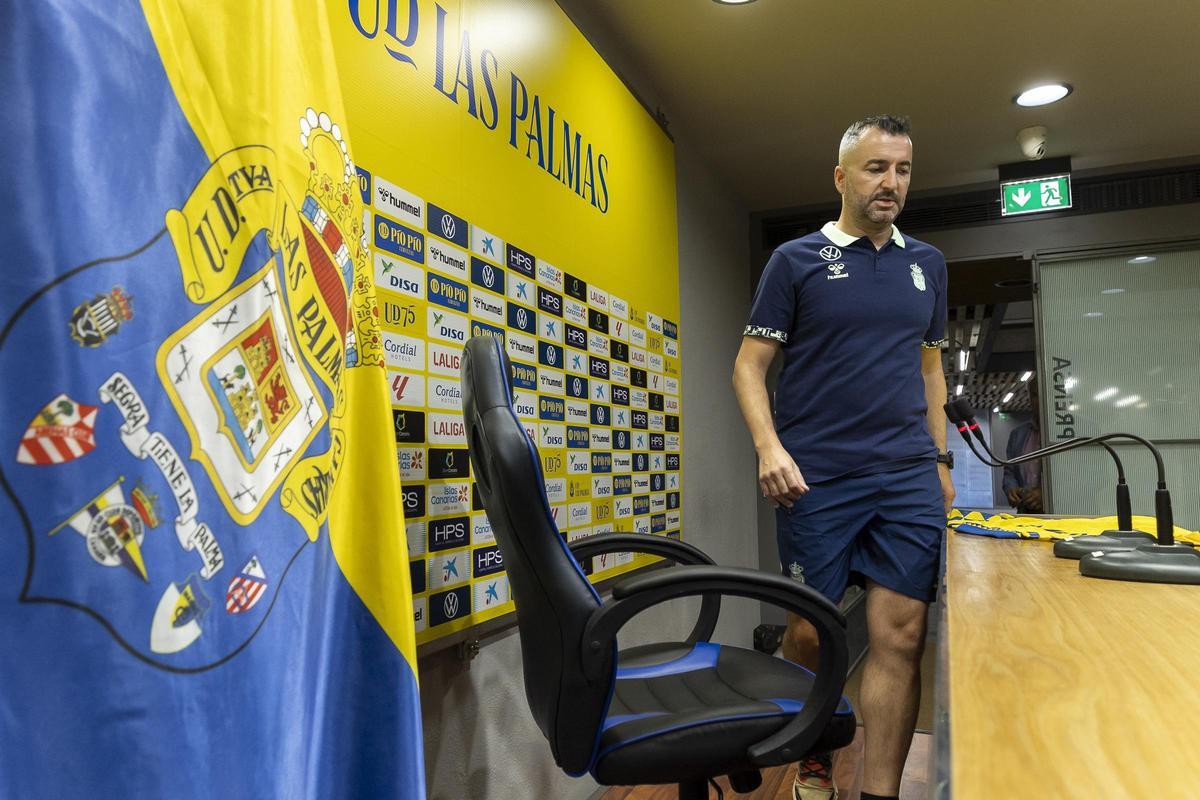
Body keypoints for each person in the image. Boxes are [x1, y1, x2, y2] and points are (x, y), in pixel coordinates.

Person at [732, 115, 954, 800]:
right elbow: (749, 366)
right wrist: (769, 447)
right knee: (810, 633)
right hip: (817, 478)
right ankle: (818, 748)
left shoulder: (928, 266)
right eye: (876, 168)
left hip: (907, 475)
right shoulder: (795, 261)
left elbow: (930, 370)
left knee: (901, 634)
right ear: (842, 176)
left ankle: (879, 792)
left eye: (903, 170)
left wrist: (942, 461)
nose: (891, 183)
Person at [1003, 380, 1043, 513]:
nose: (1039, 400)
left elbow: (1093, 478)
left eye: (1044, 392)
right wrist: (1011, 489)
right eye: (1035, 395)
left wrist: (1047, 495)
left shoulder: (1076, 430)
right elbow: (1009, 472)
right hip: (1026, 515)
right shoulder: (1018, 434)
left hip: (1066, 515)